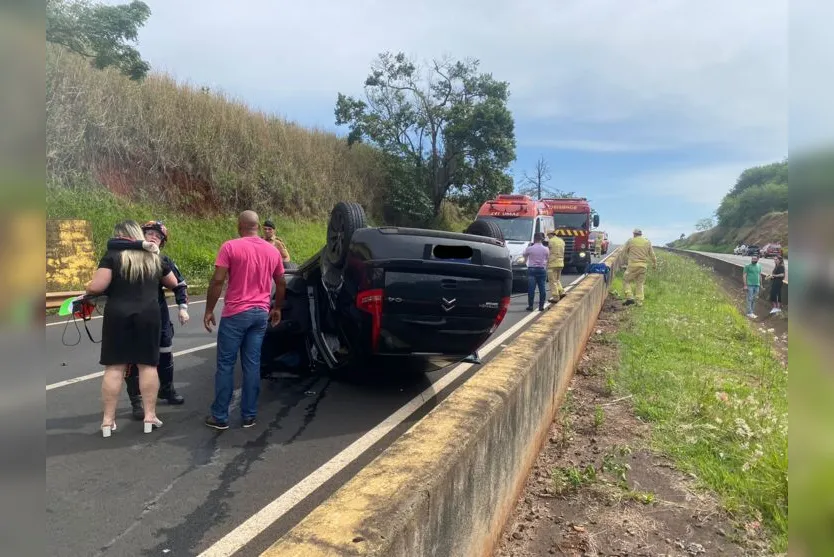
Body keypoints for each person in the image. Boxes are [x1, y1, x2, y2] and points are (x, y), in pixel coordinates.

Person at [85, 220, 179, 437]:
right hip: (149, 315)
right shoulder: (156, 256)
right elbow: (174, 283)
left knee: (114, 367)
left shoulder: (112, 256)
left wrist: (88, 286)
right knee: (148, 366)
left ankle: (108, 421)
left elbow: (98, 287)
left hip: (117, 315)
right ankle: (150, 416)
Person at [204, 210, 286, 430]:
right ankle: (249, 415)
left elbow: (218, 281)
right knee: (252, 365)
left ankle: (220, 417)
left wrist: (209, 310)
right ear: (258, 226)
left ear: (240, 225)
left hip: (235, 314)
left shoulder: (230, 247)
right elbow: (281, 282)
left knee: (225, 365)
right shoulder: (272, 250)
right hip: (260, 314)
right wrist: (277, 307)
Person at [106, 221, 190, 420]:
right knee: (133, 360)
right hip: (129, 316)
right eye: (150, 233)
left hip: (156, 313)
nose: (154, 237)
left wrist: (183, 308)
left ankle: (167, 388)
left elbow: (179, 284)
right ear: (139, 236)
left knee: (165, 353)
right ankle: (137, 400)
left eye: (158, 236)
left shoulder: (162, 260)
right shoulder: (123, 257)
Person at [620, 228, 658, 306]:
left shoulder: (631, 241)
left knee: (626, 280)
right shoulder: (647, 242)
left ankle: (629, 297)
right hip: (643, 266)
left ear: (634, 234)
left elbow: (623, 252)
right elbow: (652, 255)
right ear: (641, 234)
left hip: (633, 266)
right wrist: (654, 264)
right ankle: (639, 302)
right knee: (640, 283)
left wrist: (623, 263)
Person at [523, 232, 549, 312]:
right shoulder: (546, 249)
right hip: (542, 269)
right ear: (542, 239)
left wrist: (526, 260)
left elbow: (524, 256)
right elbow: (547, 259)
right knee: (542, 288)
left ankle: (530, 306)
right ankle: (541, 306)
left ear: (534, 239)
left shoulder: (530, 248)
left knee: (531, 288)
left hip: (531, 269)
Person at [546, 230, 566, 303]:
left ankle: (555, 297)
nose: (548, 237)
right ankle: (562, 292)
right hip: (560, 263)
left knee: (552, 281)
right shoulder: (561, 241)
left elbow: (548, 252)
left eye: (548, 235)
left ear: (550, 234)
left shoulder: (551, 241)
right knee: (557, 279)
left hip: (552, 264)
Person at [742, 254, 763, 318]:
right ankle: (749, 312)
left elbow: (759, 275)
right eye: (752, 258)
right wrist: (745, 285)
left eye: (754, 259)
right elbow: (744, 275)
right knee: (749, 298)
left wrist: (761, 284)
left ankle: (751, 312)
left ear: (757, 259)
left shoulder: (759, 266)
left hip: (757, 285)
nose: (753, 260)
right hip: (750, 285)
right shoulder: (747, 266)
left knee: (754, 299)